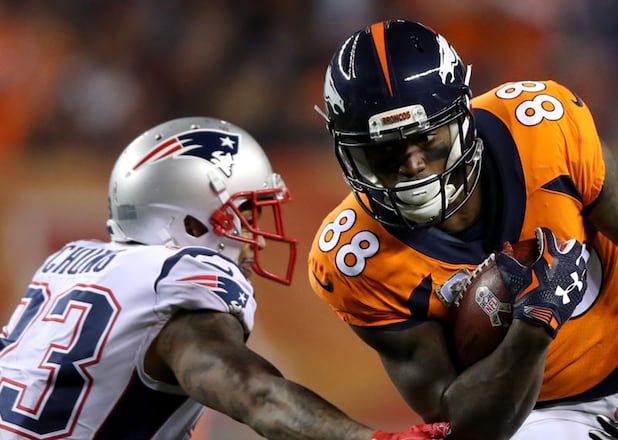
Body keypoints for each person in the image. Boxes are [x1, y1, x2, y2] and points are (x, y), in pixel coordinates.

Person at [308, 19, 618, 440]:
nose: (413, 166)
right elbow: (460, 424)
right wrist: (534, 327)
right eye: (384, 152)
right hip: (536, 412)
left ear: (461, 117)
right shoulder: (354, 257)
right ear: (349, 154)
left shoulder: (542, 130)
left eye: (428, 138)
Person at [0, 116, 451, 440]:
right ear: (192, 226)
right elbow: (254, 393)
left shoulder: (69, 266)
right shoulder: (181, 279)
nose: (258, 238)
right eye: (248, 214)